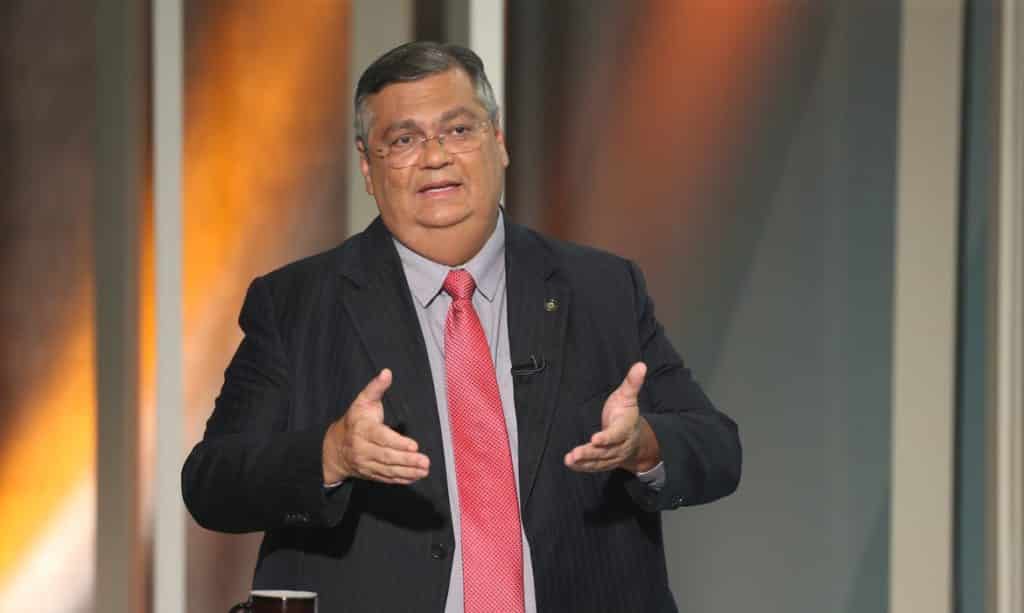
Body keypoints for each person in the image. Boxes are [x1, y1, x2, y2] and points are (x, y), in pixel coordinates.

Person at [182, 41, 741, 613]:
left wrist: (644, 445)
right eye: (404, 140)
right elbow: (210, 483)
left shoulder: (603, 288)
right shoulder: (295, 303)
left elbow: (719, 449)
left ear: (498, 142)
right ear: (368, 167)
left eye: (457, 130)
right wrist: (330, 455)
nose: (435, 157)